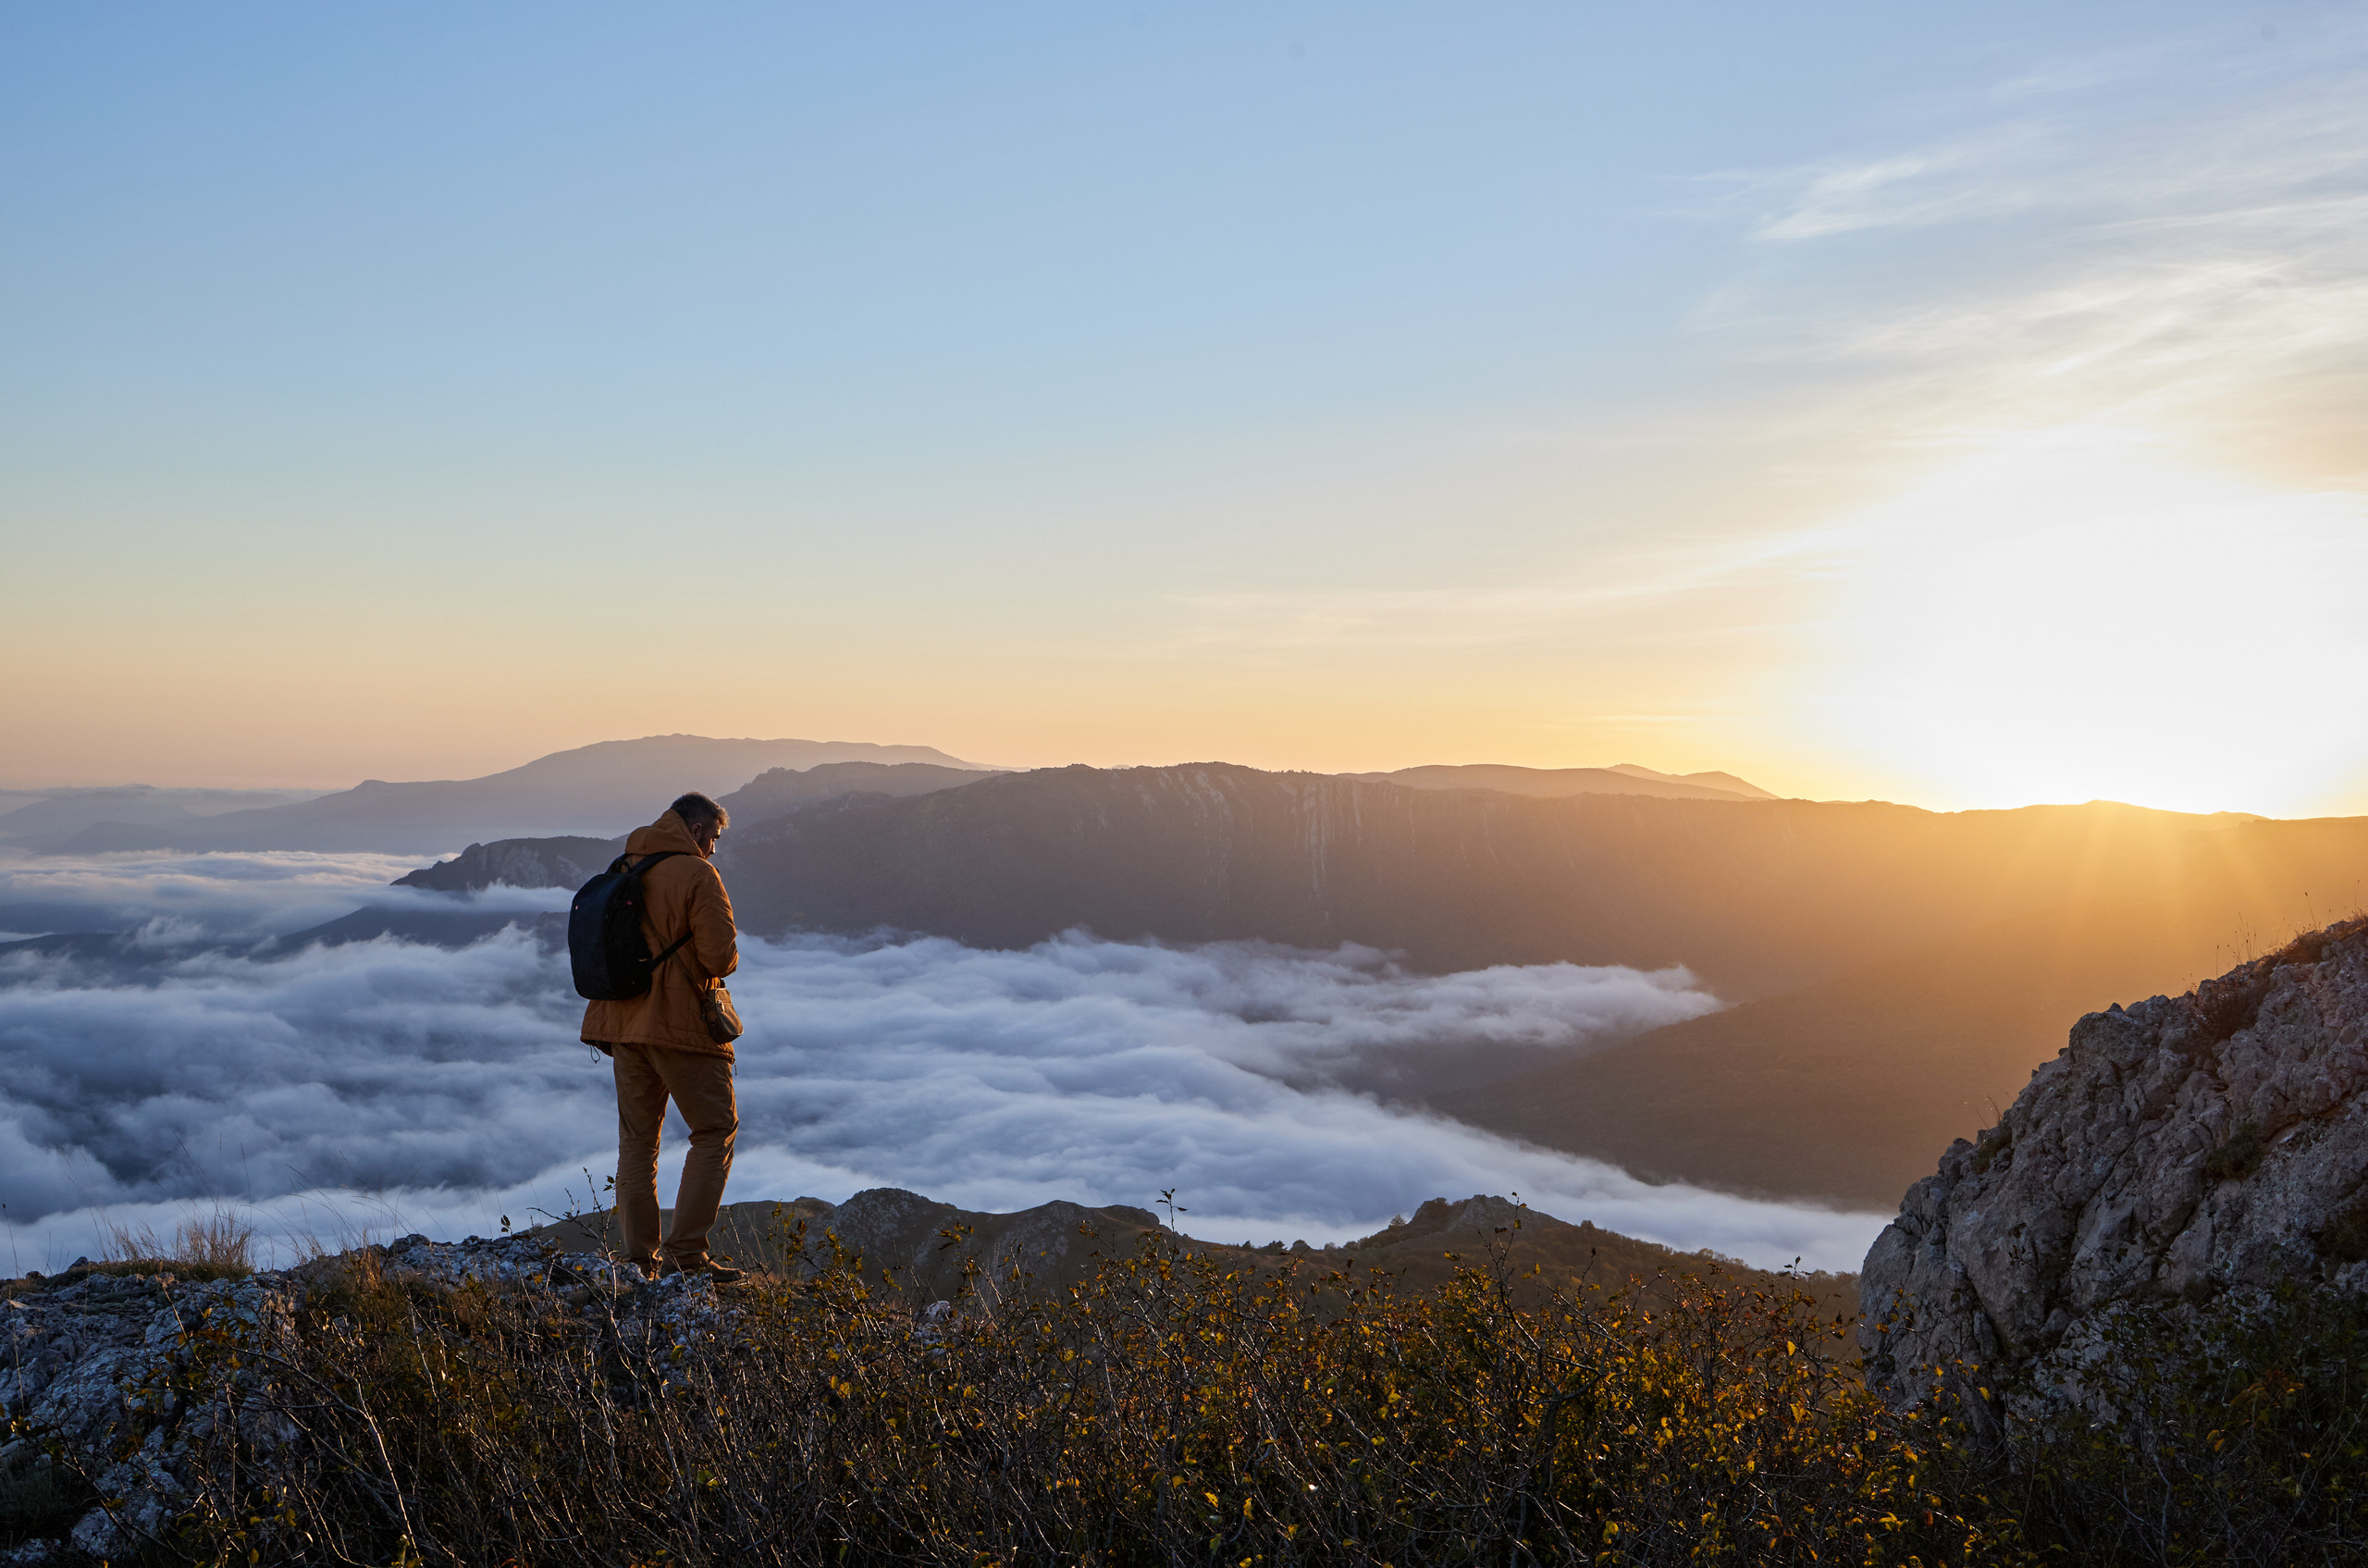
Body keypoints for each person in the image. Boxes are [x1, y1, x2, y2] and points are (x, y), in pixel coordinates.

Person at [581, 791, 745, 1282]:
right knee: (714, 1132)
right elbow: (720, 959)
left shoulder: (625, 865)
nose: (713, 849)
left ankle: (638, 1260)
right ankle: (687, 1255)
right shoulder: (698, 875)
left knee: (637, 1141)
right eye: (712, 838)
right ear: (695, 830)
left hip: (621, 1025)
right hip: (678, 1026)